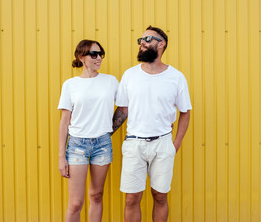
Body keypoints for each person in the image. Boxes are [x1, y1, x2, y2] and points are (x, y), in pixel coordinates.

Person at [112, 26, 192, 222]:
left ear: (161, 43)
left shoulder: (176, 77)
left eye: (147, 38)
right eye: (140, 39)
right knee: (132, 198)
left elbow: (185, 112)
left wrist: (175, 145)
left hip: (163, 143)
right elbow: (122, 111)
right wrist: (105, 134)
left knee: (160, 196)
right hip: (134, 143)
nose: (142, 42)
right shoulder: (130, 75)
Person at [58, 39, 118, 222]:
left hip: (102, 144)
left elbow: (128, 106)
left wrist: (107, 130)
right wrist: (61, 156)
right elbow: (65, 121)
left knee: (96, 196)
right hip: (77, 145)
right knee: (75, 202)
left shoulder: (111, 81)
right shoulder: (70, 85)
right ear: (81, 57)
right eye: (94, 54)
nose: (98, 57)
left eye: (101, 54)